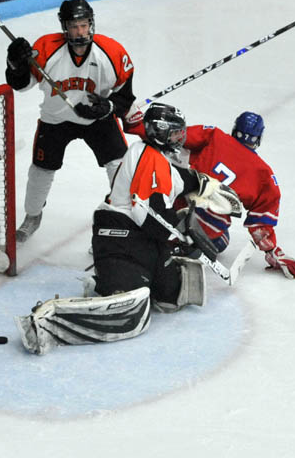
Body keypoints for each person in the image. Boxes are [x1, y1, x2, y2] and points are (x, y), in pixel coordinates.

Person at [15, 103, 234, 354]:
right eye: (174, 133)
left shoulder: (156, 155)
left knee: (172, 295)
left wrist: (203, 184)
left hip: (144, 240)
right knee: (132, 310)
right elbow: (148, 215)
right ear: (160, 133)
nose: (179, 137)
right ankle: (48, 321)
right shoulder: (149, 159)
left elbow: (176, 180)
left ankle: (111, 281)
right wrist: (184, 239)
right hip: (119, 238)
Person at [5, 0, 137, 243]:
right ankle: (33, 216)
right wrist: (15, 64)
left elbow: (125, 98)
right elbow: (21, 85)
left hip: (98, 121)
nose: (80, 31)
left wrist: (106, 107)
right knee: (40, 172)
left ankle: (123, 215)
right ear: (64, 27)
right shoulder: (46, 48)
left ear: (91, 24)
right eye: (74, 26)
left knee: (119, 166)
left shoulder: (112, 52)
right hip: (55, 121)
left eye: (84, 25)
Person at [181, 111, 295, 279]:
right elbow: (260, 222)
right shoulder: (263, 173)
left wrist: (136, 123)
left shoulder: (214, 136)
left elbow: (174, 136)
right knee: (222, 240)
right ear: (258, 138)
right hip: (208, 231)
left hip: (176, 209)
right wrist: (272, 251)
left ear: (235, 129)